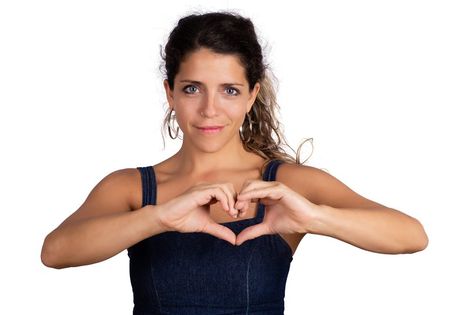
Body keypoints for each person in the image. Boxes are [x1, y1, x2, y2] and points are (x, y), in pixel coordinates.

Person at [41, 11, 429, 314]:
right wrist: (159, 218)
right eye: (192, 89)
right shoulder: (131, 187)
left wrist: (314, 218)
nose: (210, 109)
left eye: (229, 90)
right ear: (170, 93)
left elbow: (411, 236)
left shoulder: (284, 184)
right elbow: (55, 252)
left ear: (251, 95)